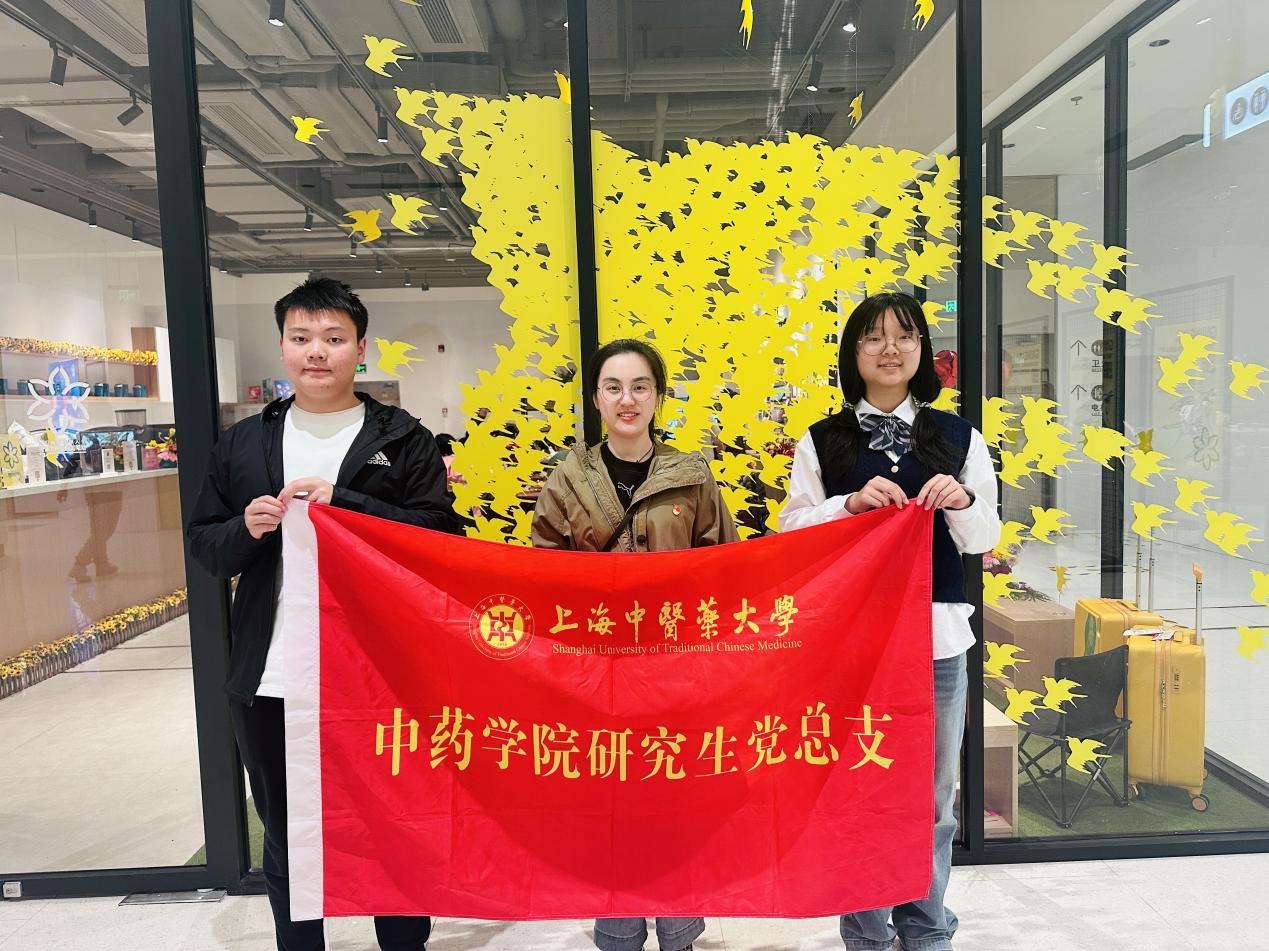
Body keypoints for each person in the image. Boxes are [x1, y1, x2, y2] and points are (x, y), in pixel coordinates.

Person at [187, 278, 456, 951]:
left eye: (334, 338)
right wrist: (246, 529)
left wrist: (348, 504)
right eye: (302, 337)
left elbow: (439, 538)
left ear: (359, 350)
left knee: (395, 824)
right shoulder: (244, 444)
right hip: (274, 670)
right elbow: (205, 545)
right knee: (286, 831)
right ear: (282, 347)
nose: (317, 352)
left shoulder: (404, 437)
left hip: (380, 673)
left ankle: (404, 942)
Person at [780, 291, 1001, 951]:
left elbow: (983, 536)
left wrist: (961, 500)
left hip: (937, 643)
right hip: (851, 645)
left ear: (921, 351)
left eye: (904, 336)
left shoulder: (959, 437)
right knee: (857, 792)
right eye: (873, 337)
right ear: (854, 352)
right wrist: (846, 505)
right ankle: (867, 931)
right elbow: (791, 533)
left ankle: (925, 925)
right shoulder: (822, 440)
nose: (889, 349)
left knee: (932, 798)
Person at [530, 338, 739, 951]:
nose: (628, 400)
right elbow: (542, 573)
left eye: (640, 386)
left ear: (658, 396)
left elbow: (724, 568)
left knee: (675, 804)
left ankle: (679, 932)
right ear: (596, 398)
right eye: (614, 387)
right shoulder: (568, 479)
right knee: (609, 810)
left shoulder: (691, 475)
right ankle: (617, 932)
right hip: (596, 678)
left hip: (676, 674)